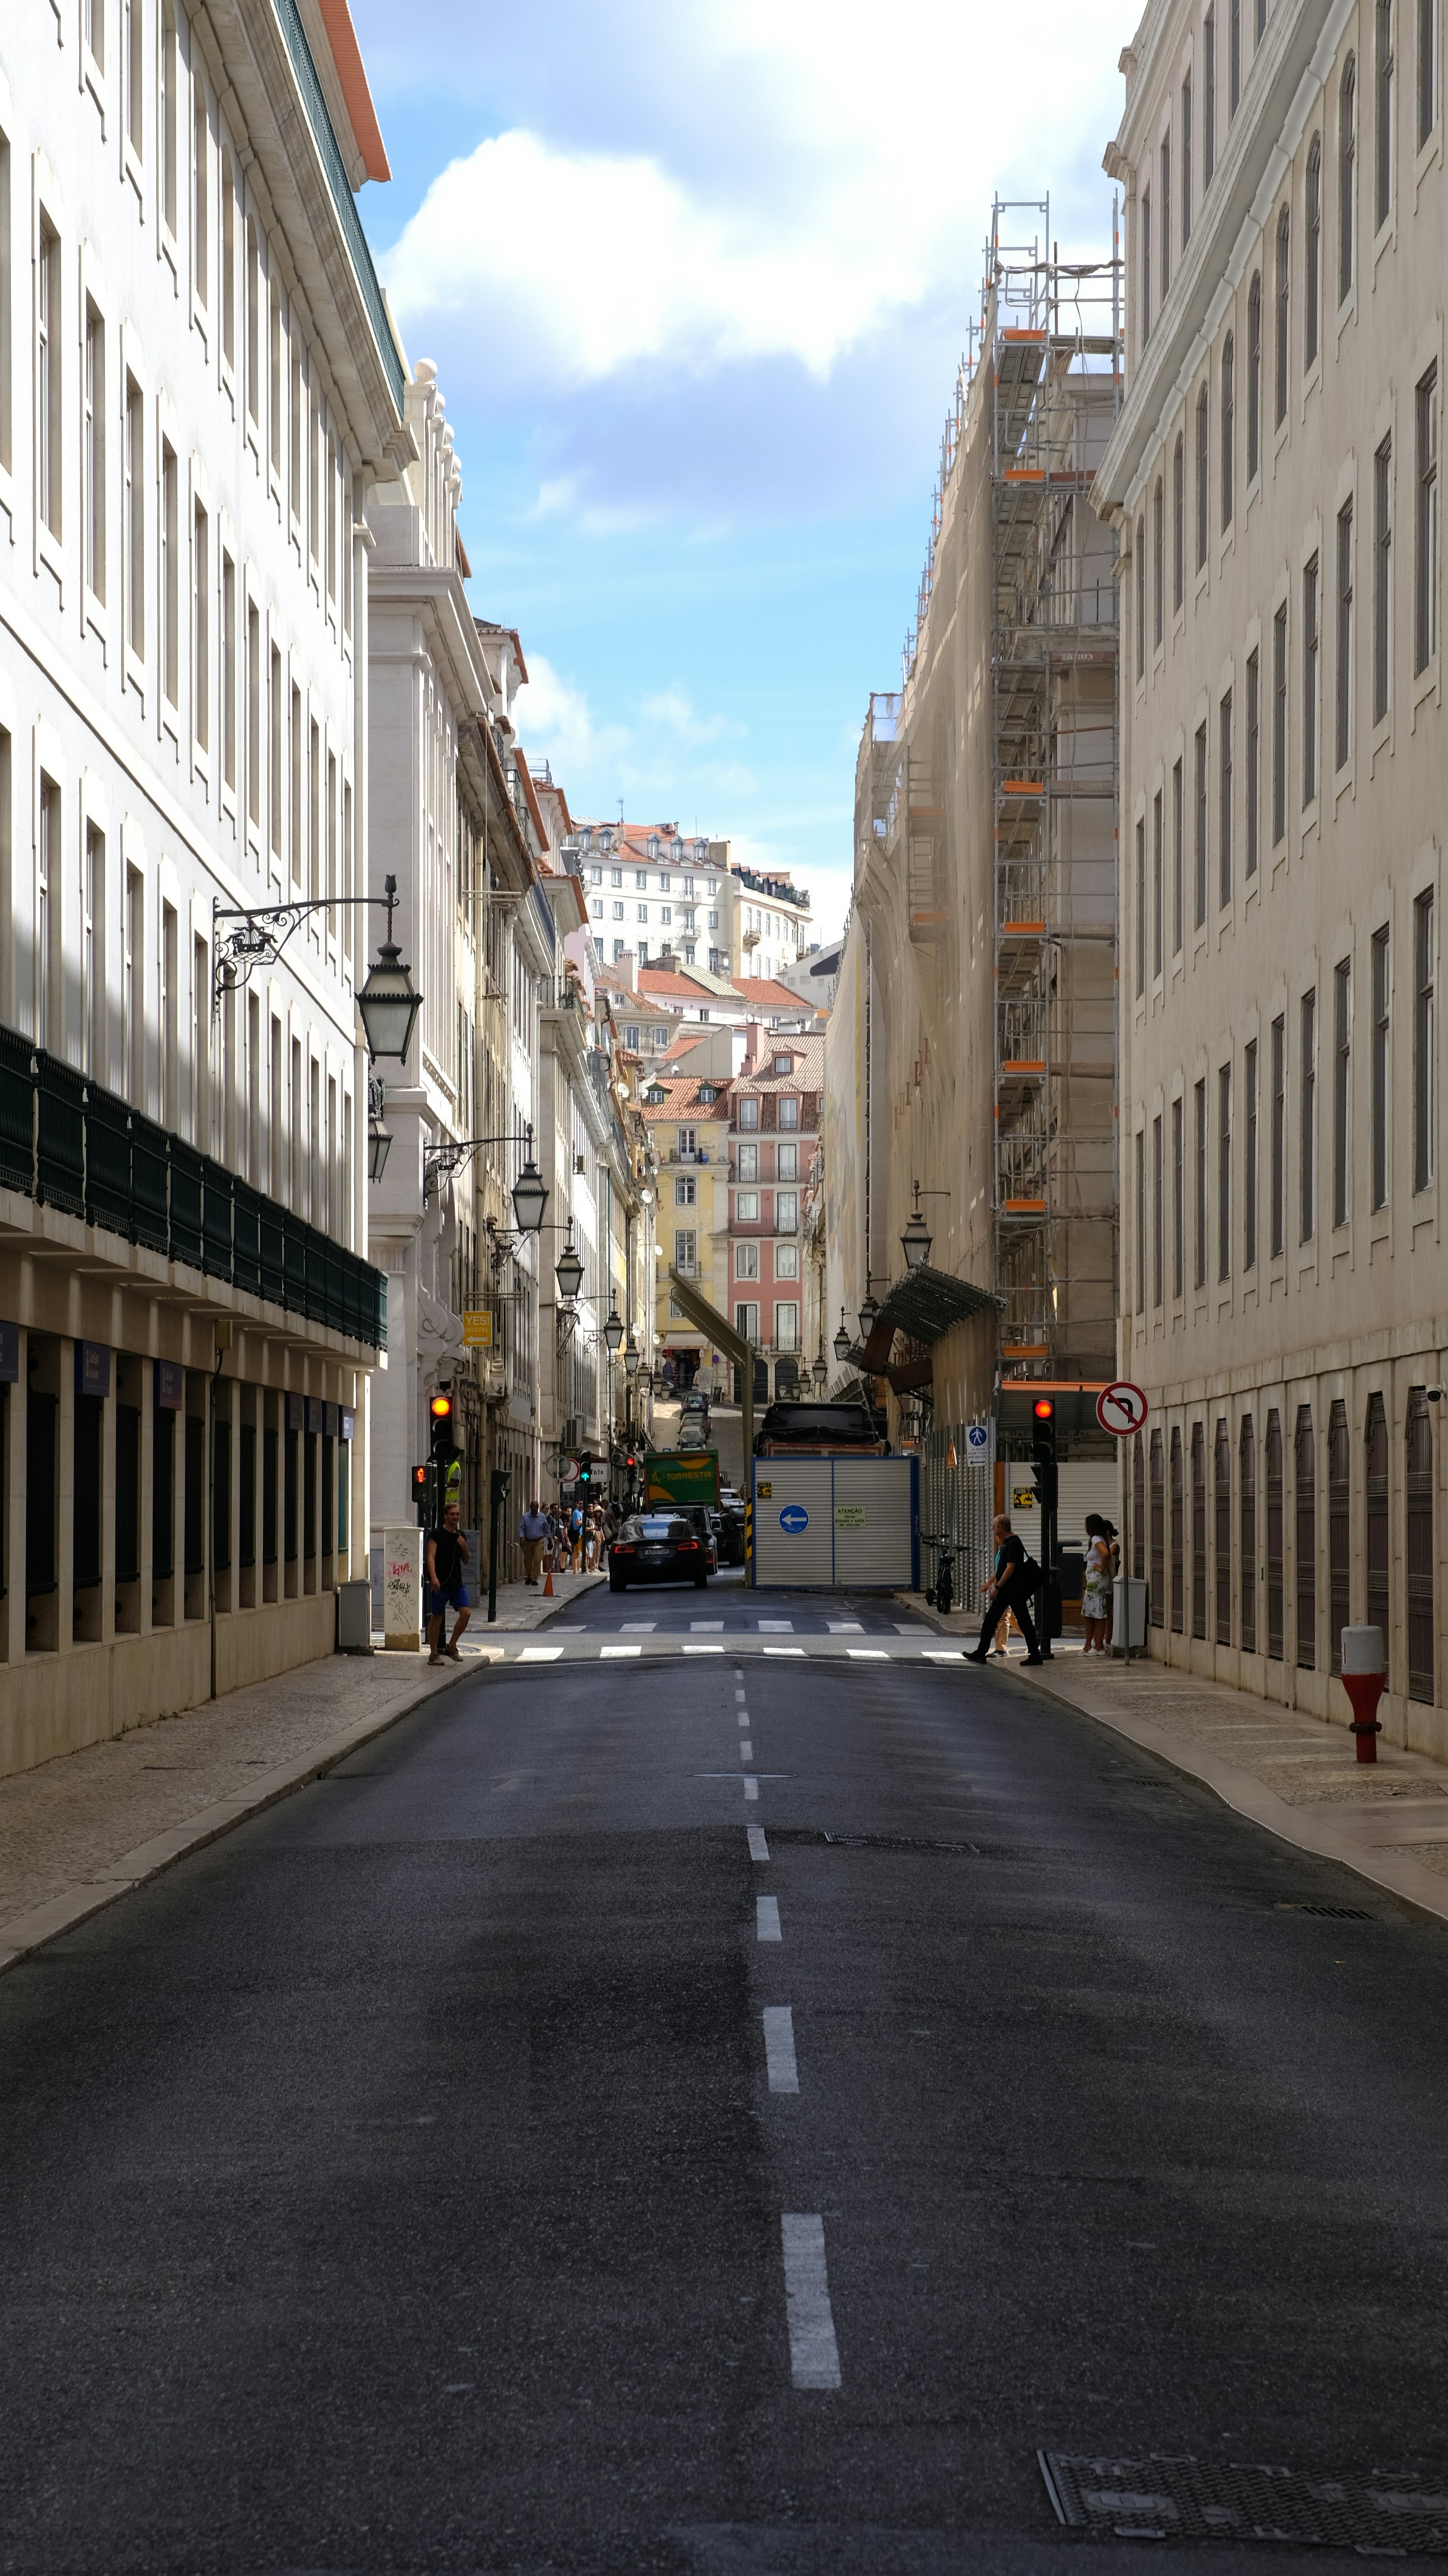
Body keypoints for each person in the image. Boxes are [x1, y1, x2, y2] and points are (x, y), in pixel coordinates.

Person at [969, 1513, 1043, 1665]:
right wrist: (990, 1583)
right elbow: (1001, 1568)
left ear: (1001, 1527)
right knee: (995, 1620)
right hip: (1009, 1591)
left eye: (994, 1526)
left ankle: (1035, 1656)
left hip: (1013, 1591)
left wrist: (997, 1587)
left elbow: (1010, 1569)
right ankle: (981, 1653)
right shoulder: (1007, 1543)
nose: (993, 1528)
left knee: (1020, 1622)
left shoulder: (1013, 1543)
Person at [425, 1502, 471, 1665]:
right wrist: (433, 1577)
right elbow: (431, 1556)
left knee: (466, 1613)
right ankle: (433, 1654)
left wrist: (464, 1548)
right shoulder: (436, 1534)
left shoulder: (461, 1536)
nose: (455, 1517)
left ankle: (452, 1646)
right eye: (452, 1514)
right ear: (446, 1516)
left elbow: (466, 1560)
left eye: (457, 1514)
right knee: (437, 1617)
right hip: (441, 1583)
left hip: (457, 1583)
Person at [1079, 1512, 1111, 1654]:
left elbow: (1105, 1553)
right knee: (1091, 1612)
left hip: (1096, 1581)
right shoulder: (1100, 1538)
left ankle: (1098, 1645)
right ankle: (1091, 1644)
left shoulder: (1096, 1539)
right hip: (1096, 1581)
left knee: (1096, 1612)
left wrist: (1101, 1567)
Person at [518, 1496, 550, 1587]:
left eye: (536, 1506)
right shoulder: (525, 1517)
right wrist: (521, 1538)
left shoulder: (542, 1517)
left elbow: (546, 1529)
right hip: (528, 1541)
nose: (535, 1508)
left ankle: (534, 1578)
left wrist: (550, 1540)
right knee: (527, 1561)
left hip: (539, 1541)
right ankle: (529, 1576)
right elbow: (522, 1528)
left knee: (538, 1559)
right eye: (533, 1506)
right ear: (530, 1507)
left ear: (538, 1508)